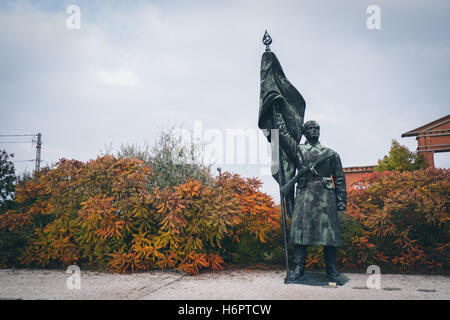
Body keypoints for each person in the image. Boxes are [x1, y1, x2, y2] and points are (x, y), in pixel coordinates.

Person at [274, 114, 347, 283]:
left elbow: (340, 178)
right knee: (300, 233)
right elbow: (283, 135)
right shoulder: (298, 150)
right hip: (305, 194)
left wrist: (341, 199)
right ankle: (299, 269)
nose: (314, 131)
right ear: (305, 132)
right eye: (310, 128)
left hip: (326, 196)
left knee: (329, 235)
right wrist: (277, 114)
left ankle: (331, 269)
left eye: (317, 128)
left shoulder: (330, 154)